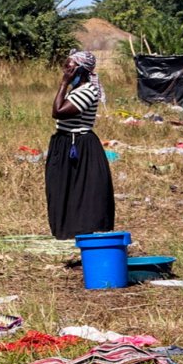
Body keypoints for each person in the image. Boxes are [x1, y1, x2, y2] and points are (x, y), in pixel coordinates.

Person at [45, 51, 114, 240]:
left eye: (69, 66)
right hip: (65, 142)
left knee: (80, 190)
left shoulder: (88, 91)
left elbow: (58, 112)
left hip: (79, 145)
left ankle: (82, 232)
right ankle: (66, 231)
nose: (65, 70)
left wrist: (63, 83)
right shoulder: (77, 90)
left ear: (80, 70)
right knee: (61, 188)